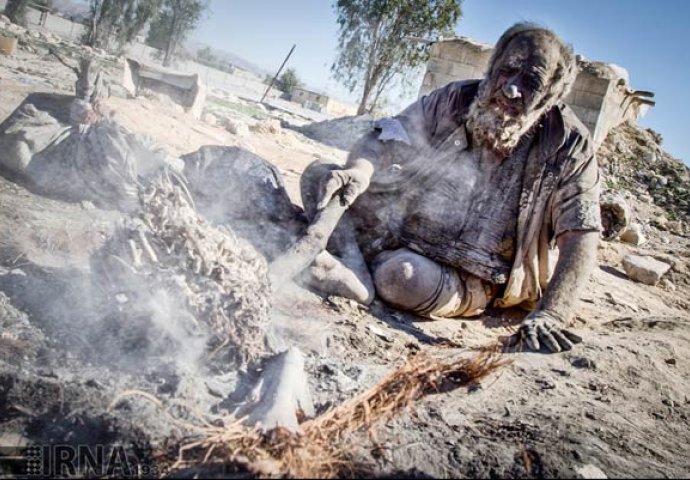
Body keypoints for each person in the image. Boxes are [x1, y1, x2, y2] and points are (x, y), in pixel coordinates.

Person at [300, 23, 601, 353]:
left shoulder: (569, 145)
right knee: (320, 176)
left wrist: (552, 314)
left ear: (550, 96)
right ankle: (354, 263)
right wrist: (359, 170)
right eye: (507, 71)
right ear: (492, 67)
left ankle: (357, 270)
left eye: (530, 82)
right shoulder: (455, 98)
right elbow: (385, 136)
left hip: (465, 277)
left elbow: (581, 234)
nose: (511, 90)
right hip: (394, 230)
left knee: (400, 277)